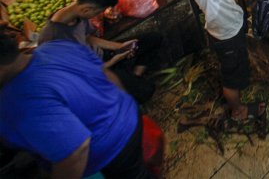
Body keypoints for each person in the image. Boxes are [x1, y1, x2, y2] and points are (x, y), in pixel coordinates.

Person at [0, 30, 154, 178]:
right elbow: (108, 76)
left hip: (111, 149)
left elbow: (76, 151)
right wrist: (126, 109)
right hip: (128, 117)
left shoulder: (20, 99)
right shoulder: (56, 46)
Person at [172, 0, 265, 122]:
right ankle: (238, 111)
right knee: (230, 76)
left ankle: (242, 79)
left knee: (239, 61)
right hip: (224, 33)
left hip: (234, 21)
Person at [38, 0, 162, 104]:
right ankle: (127, 81)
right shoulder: (52, 38)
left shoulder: (76, 15)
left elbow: (87, 37)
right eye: (97, 12)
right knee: (146, 91)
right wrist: (113, 61)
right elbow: (76, 75)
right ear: (87, 9)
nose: (96, 15)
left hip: (102, 55)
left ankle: (134, 77)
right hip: (92, 72)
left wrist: (118, 46)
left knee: (154, 38)